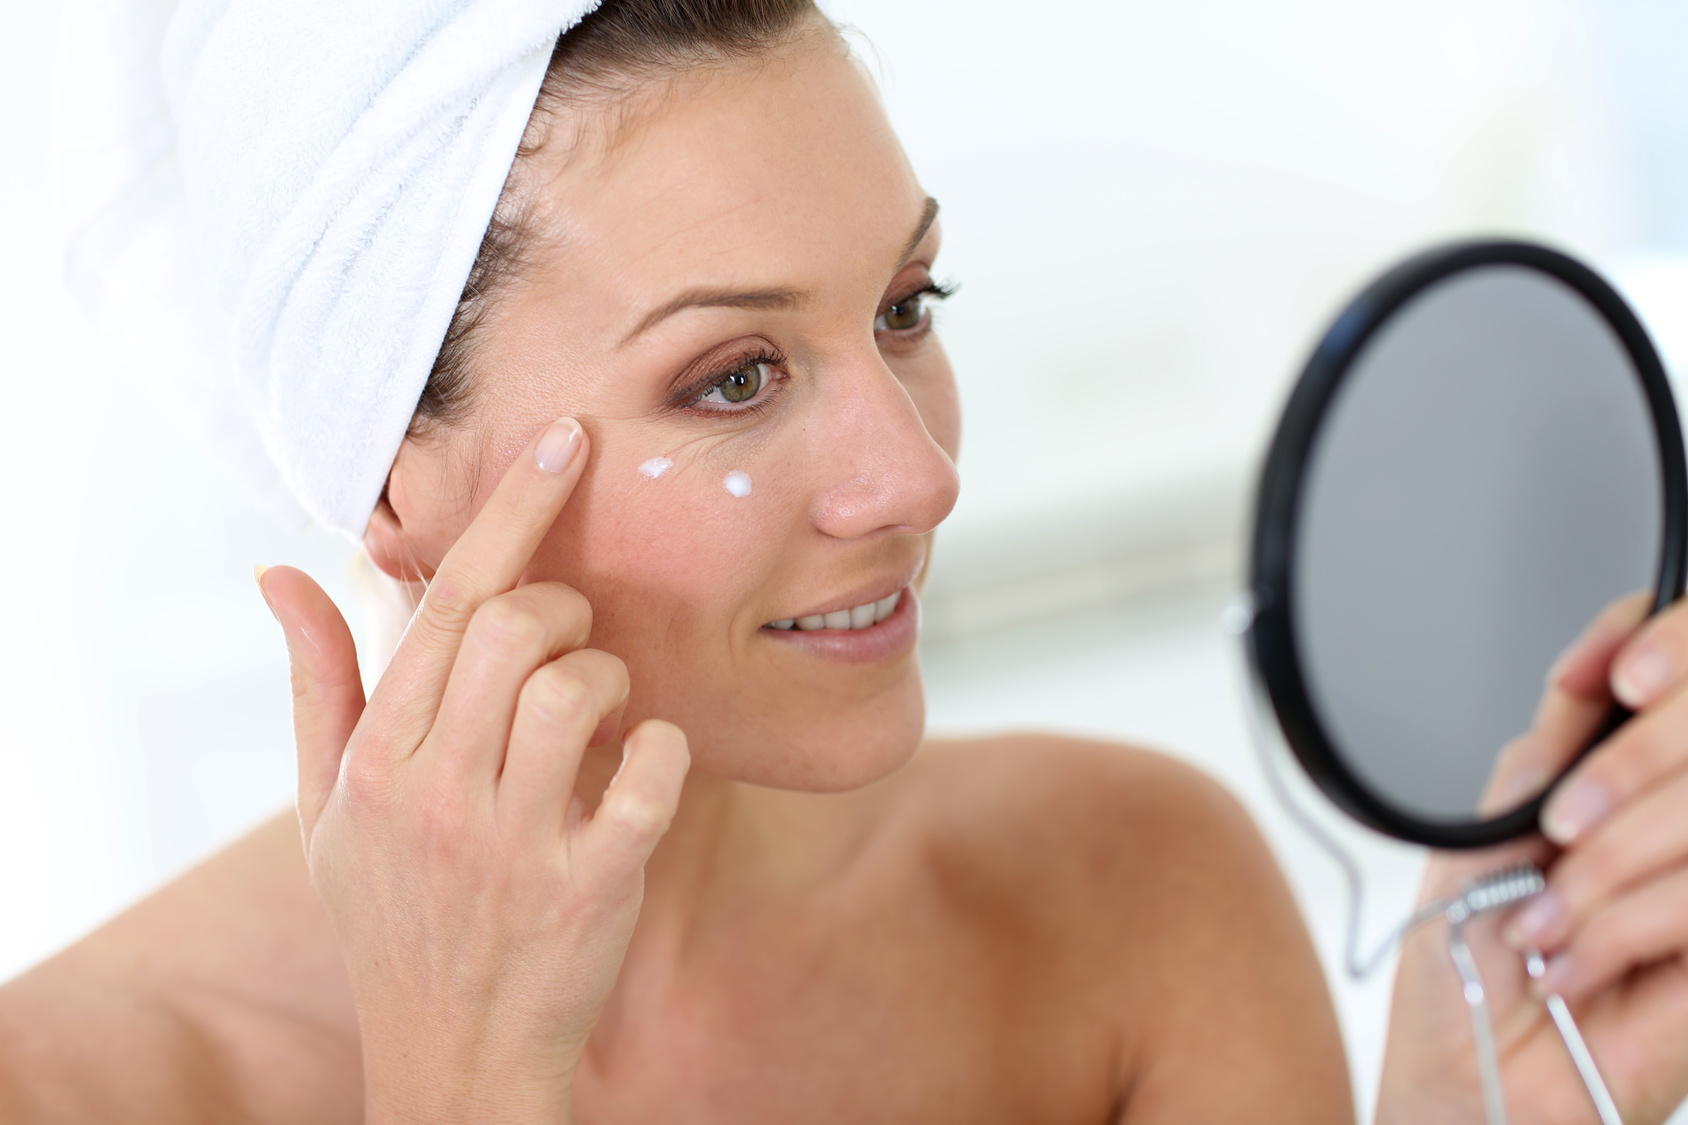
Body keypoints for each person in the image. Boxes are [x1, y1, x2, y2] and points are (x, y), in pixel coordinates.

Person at [5, 1, 1688, 1121]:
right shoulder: (84, 1082)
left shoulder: (1127, 900)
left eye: (905, 309)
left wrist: (1474, 1104)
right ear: (391, 483)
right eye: (731, 376)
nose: (921, 474)